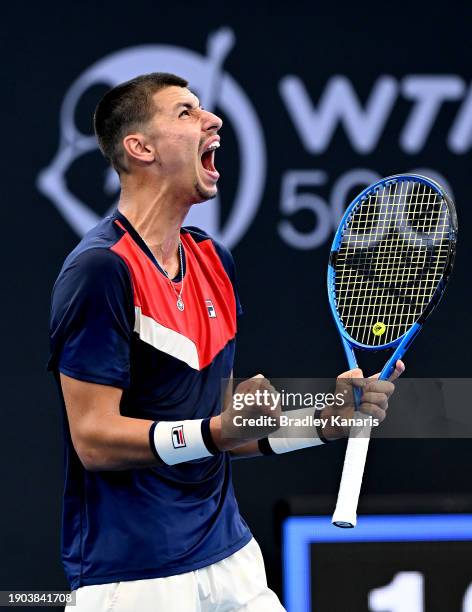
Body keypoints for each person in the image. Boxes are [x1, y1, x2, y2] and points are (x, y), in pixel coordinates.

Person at [48, 72, 404, 611]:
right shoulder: (101, 270)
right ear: (139, 147)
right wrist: (217, 429)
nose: (213, 119)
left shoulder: (214, 260)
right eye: (186, 113)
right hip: (136, 578)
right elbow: (95, 441)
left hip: (230, 560)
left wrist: (322, 423)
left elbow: (227, 428)